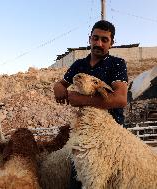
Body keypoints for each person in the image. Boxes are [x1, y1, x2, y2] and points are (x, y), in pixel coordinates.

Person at [53, 20, 128, 189]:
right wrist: (58, 87)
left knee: (106, 182)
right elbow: (61, 84)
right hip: (84, 133)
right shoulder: (79, 65)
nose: (98, 43)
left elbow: (121, 99)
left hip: (110, 136)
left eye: (104, 40)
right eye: (95, 38)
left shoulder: (117, 64)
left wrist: (81, 100)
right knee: (78, 181)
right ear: (89, 39)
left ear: (112, 43)